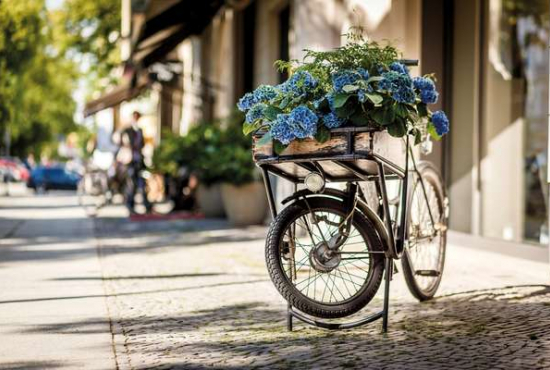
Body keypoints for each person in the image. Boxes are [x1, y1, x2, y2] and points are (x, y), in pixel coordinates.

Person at [120, 111, 152, 215]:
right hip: (130, 161)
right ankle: (130, 205)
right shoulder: (127, 130)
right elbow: (121, 141)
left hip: (139, 160)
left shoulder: (140, 130)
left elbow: (142, 144)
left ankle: (146, 205)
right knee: (132, 184)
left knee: (142, 183)